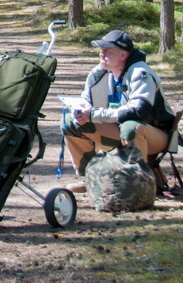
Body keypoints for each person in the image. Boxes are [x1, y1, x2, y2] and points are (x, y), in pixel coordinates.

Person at [62, 30, 175, 194]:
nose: (102, 54)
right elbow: (85, 100)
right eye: (101, 50)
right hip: (120, 128)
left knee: (131, 127)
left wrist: (94, 114)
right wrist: (80, 112)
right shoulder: (98, 73)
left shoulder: (141, 73)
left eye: (107, 51)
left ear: (123, 55)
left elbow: (138, 112)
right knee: (69, 122)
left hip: (154, 134)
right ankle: (92, 178)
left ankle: (137, 184)